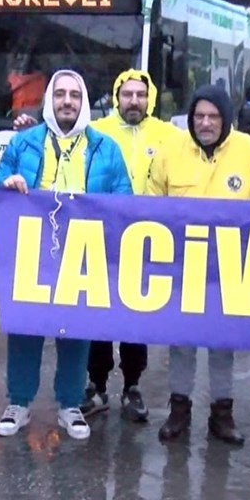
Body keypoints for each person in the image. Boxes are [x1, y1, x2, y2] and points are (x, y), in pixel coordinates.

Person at [0, 69, 133, 440]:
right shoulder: (24, 143)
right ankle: (18, 403)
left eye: (74, 95)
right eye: (60, 94)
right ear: (50, 100)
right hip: (32, 252)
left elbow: (125, 199)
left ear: (83, 102)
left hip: (84, 254)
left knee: (76, 331)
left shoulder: (106, 148)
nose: (67, 101)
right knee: (25, 327)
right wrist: (7, 183)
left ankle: (70, 404)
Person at [147, 84, 250, 445]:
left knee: (222, 344)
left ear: (226, 119)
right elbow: (151, 206)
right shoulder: (170, 152)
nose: (205, 123)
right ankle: (179, 412)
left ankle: (222, 415)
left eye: (213, 116)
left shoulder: (249, 152)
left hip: (229, 268)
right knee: (181, 344)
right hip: (181, 267)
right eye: (199, 116)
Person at [81, 69, 181, 422]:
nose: (134, 101)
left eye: (140, 95)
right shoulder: (96, 133)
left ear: (149, 98)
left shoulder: (169, 136)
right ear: (116, 97)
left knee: (136, 316)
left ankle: (133, 385)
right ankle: (96, 384)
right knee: (99, 315)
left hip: (148, 240)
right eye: (127, 95)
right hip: (103, 238)